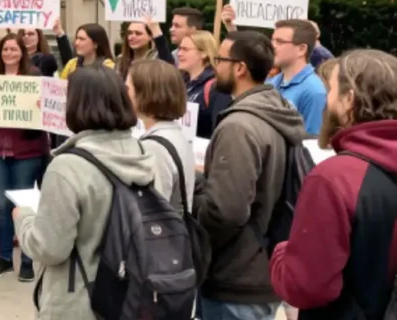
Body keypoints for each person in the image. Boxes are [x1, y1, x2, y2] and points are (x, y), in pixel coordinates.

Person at [12, 65, 153, 319]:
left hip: (77, 302)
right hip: (130, 297)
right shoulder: (141, 153)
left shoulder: (68, 167)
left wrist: (23, 218)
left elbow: (49, 248)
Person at [269, 49, 397, 317]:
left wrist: (284, 251)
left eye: (330, 90)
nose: (326, 99)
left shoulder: (334, 178)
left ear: (349, 99)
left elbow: (304, 285)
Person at [195, 30, 308, 320]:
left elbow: (226, 211)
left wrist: (196, 197)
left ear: (240, 67)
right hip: (260, 268)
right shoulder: (275, 109)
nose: (215, 65)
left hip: (236, 277)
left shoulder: (240, 126)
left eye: (220, 59)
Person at [0, 33, 47, 282]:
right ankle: (6, 258)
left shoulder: (34, 78)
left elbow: (51, 112)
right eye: (5, 49)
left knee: (24, 207)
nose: (9, 53)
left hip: (27, 153)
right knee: (2, 206)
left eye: (13, 49)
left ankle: (28, 261)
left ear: (23, 52)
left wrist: (44, 105)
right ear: (0, 53)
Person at [127, 59, 194, 208]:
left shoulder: (154, 146)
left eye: (128, 89)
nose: (124, 96)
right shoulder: (175, 134)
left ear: (145, 93)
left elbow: (151, 210)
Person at [269, 19, 328, 135]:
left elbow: (312, 145)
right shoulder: (270, 84)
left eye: (279, 42)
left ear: (301, 49)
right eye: (272, 40)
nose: (272, 46)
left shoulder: (315, 92)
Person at [177, 30, 232, 139]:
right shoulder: (181, 83)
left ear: (204, 53)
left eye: (185, 49)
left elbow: (219, 128)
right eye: (179, 49)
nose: (179, 54)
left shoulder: (216, 86)